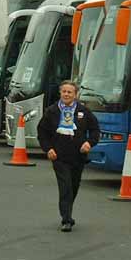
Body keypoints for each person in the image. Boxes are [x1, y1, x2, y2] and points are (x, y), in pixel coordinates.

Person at [37, 80, 100, 232]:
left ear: (75, 94)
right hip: (59, 156)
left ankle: (67, 210)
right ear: (60, 93)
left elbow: (95, 130)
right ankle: (66, 219)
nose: (66, 94)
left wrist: (89, 143)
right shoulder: (52, 111)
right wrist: (48, 149)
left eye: (69, 92)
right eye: (64, 91)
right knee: (65, 187)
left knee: (73, 186)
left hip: (78, 156)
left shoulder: (84, 111)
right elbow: (42, 132)